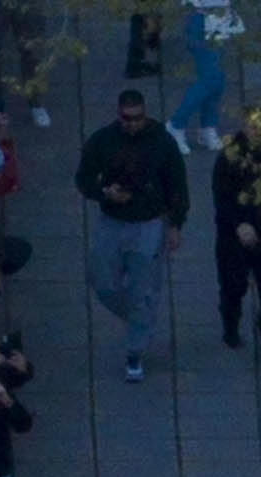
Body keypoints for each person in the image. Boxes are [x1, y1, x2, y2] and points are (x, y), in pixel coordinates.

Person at [75, 80, 188, 374]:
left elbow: (177, 185)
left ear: (146, 114)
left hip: (148, 223)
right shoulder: (102, 141)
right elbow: (84, 180)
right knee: (102, 281)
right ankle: (141, 315)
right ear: (118, 115)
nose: (134, 124)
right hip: (112, 220)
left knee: (143, 289)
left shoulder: (162, 142)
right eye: (128, 118)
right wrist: (104, 192)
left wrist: (175, 224)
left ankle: (135, 350)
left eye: (138, 117)